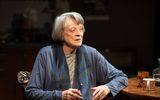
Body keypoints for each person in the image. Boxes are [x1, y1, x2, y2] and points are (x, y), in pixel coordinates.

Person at [25, 12, 128, 100]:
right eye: (72, 30)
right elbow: (31, 92)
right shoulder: (46, 54)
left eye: (81, 29)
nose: (79, 34)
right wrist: (60, 95)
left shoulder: (91, 53)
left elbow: (121, 77)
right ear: (61, 34)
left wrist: (107, 87)